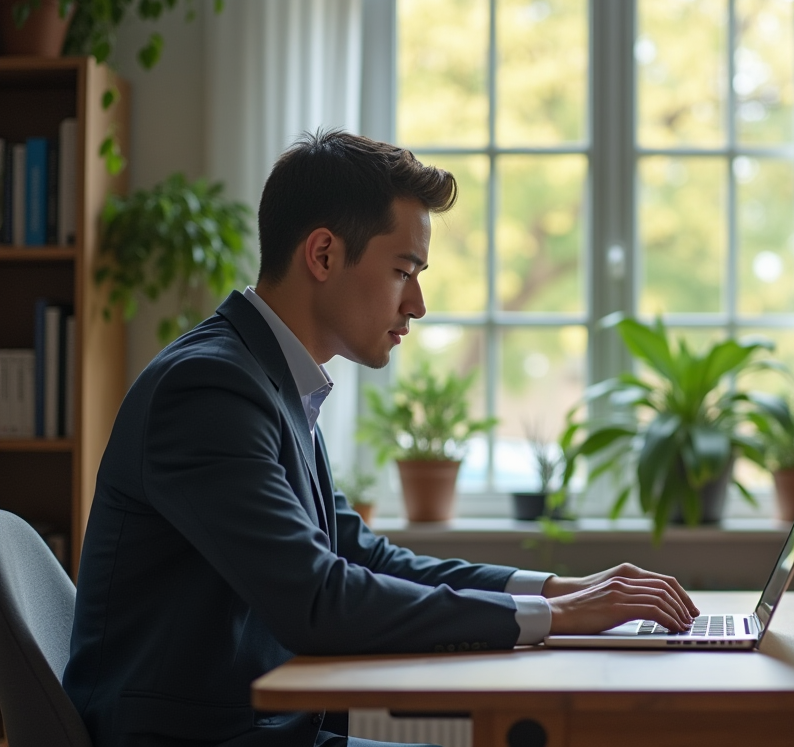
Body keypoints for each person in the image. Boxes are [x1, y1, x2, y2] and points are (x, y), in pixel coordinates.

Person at [63, 130, 698, 747]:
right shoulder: (209, 390)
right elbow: (317, 598)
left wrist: (556, 590)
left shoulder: (267, 379)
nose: (417, 304)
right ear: (323, 255)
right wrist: (554, 621)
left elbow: (359, 555)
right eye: (404, 270)